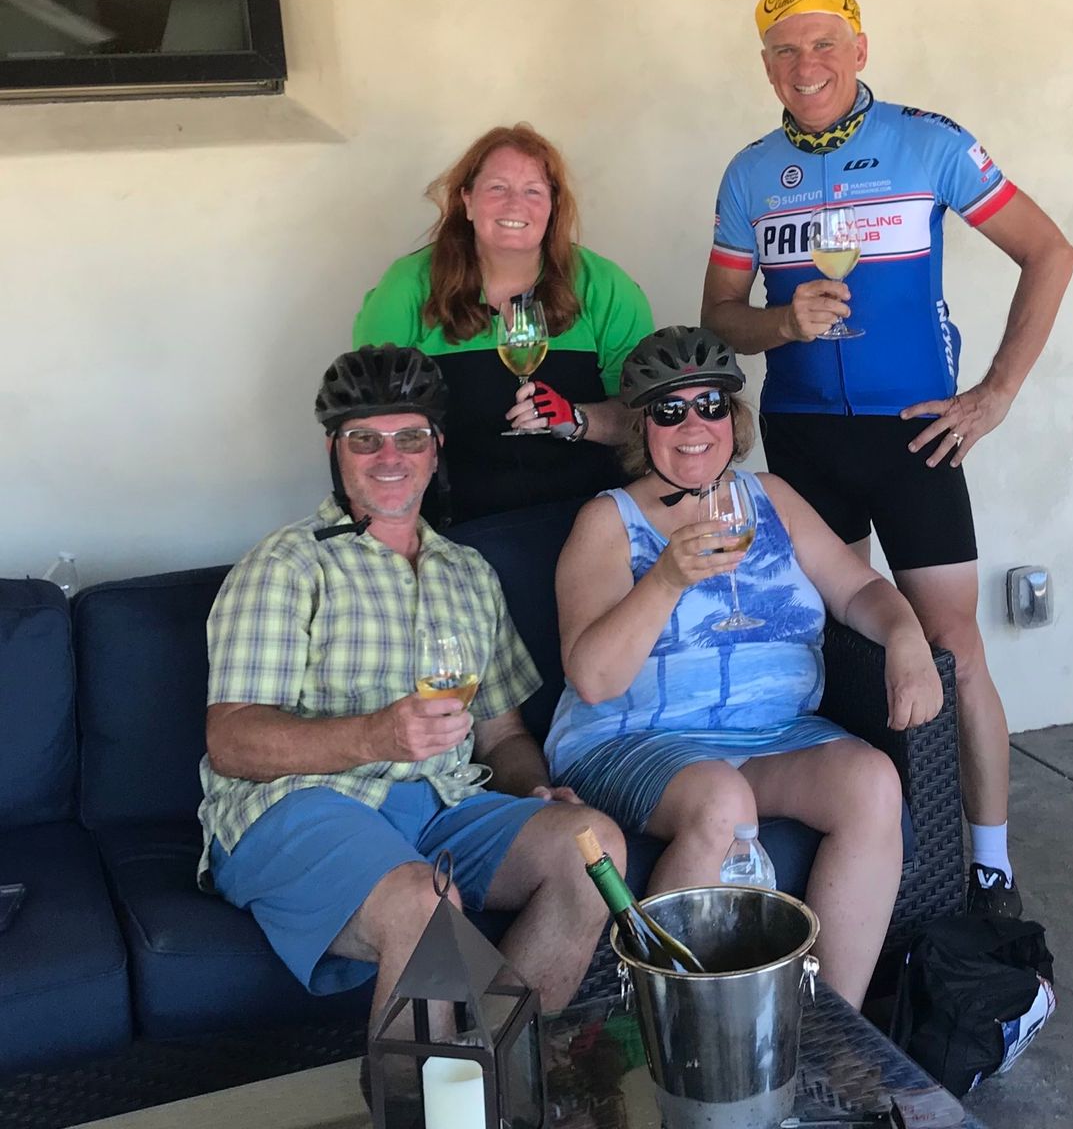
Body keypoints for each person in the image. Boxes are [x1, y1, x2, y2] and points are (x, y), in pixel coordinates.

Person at [701, 0, 1073, 917]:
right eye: (786, 51)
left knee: (951, 644)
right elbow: (718, 320)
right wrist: (780, 324)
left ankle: (988, 864)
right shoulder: (750, 173)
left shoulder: (928, 141)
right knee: (839, 640)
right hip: (803, 435)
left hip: (914, 433)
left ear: (860, 51)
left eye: (824, 44)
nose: (806, 66)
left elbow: (1051, 252)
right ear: (766, 69)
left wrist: (994, 395)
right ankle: (883, 842)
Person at [197, 344, 626, 1049]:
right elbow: (232, 740)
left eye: (409, 437)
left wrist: (534, 789)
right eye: (364, 440)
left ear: (436, 449)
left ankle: (506, 1071)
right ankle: (416, 1098)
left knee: (593, 849)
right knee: (426, 905)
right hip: (301, 804)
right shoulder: (287, 564)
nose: (389, 457)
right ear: (335, 451)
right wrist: (375, 736)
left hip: (442, 803)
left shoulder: (469, 573)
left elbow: (502, 735)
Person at [545, 325, 943, 1008]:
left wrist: (906, 637)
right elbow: (594, 679)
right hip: (635, 737)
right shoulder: (608, 521)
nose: (693, 425)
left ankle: (826, 1031)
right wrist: (667, 579)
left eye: (711, 405)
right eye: (670, 410)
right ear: (642, 425)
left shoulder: (771, 498)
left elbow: (858, 590)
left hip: (771, 733)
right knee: (721, 803)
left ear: (734, 417)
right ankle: (674, 1033)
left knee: (872, 782)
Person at [353, 123, 656, 526]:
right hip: (453, 523)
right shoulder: (408, 285)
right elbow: (365, 420)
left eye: (533, 191)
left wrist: (576, 419)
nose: (515, 204)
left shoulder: (604, 285)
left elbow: (645, 418)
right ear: (467, 200)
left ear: (553, 206)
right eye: (498, 188)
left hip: (587, 516)